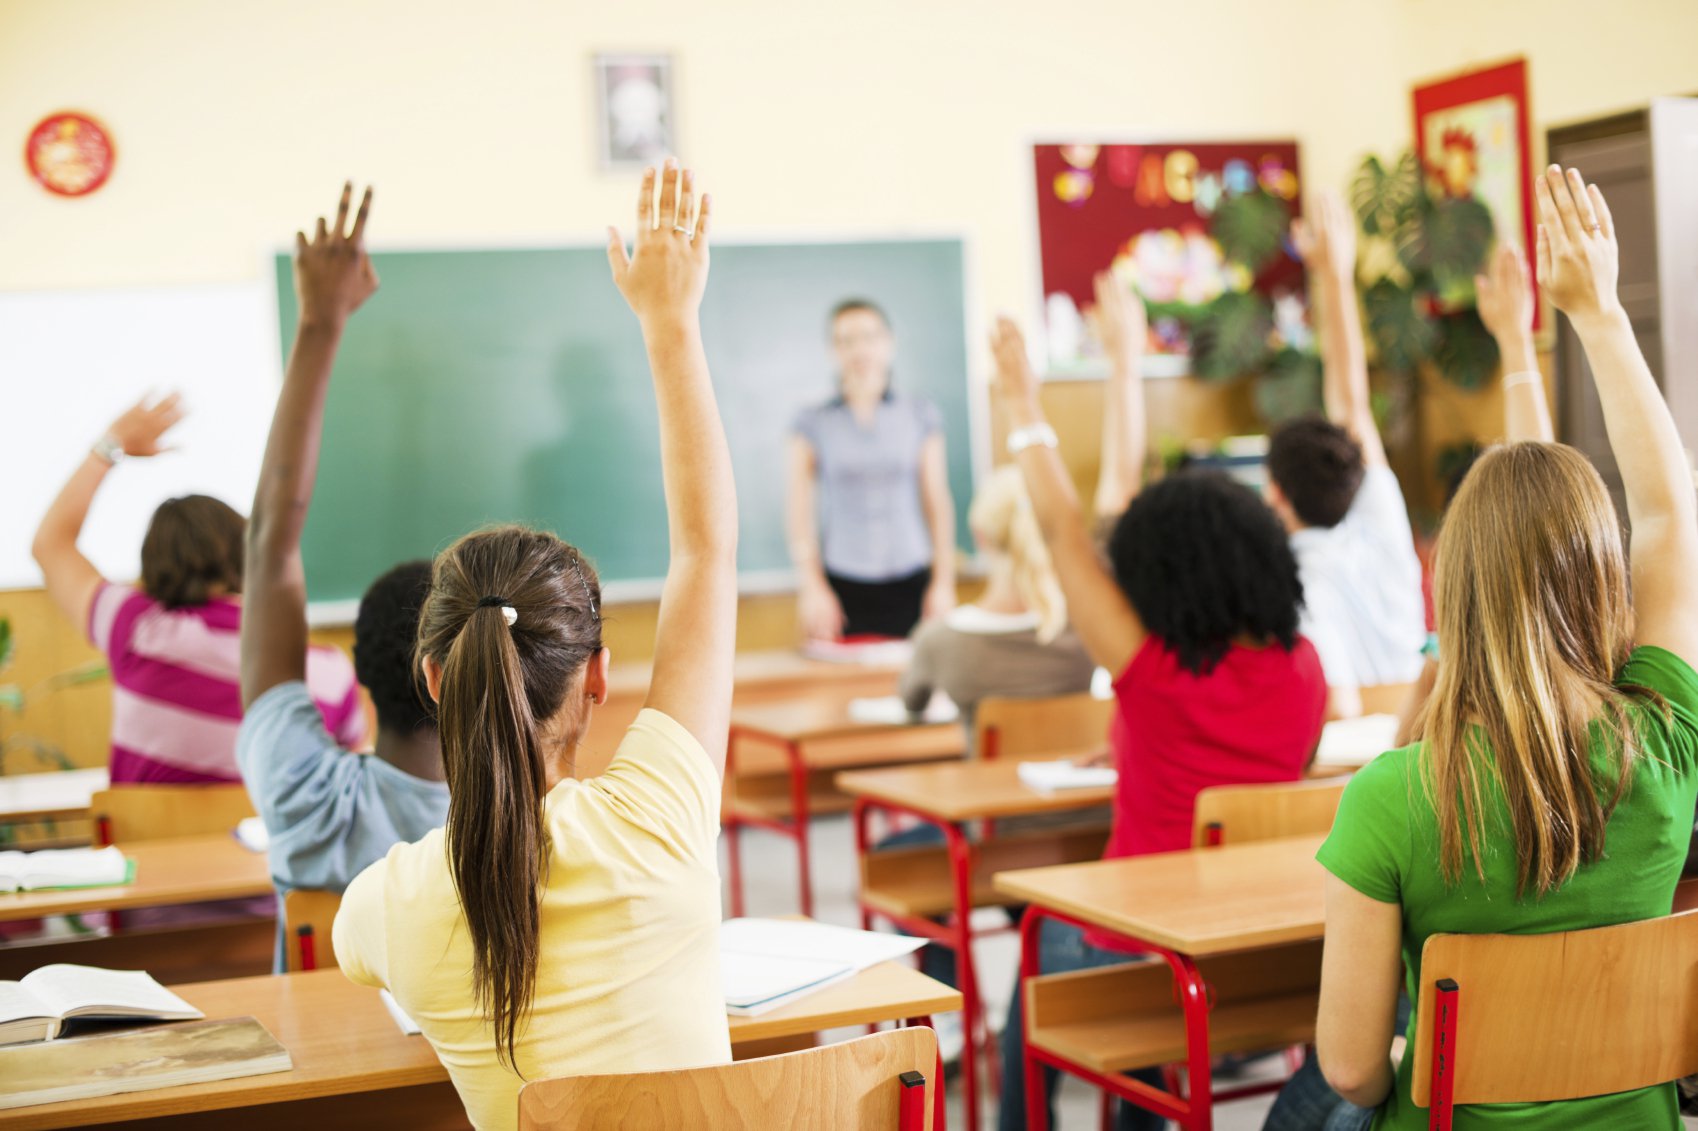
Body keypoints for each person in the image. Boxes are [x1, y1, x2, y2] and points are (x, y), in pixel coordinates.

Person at [333, 160, 737, 1131]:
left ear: (432, 679)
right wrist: (670, 324)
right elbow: (707, 554)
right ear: (599, 679)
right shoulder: (660, 817)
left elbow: (353, 969)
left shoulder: (390, 906)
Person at [1306, 167, 1698, 1129]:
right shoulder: (1666, 747)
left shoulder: (1393, 795)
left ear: (1455, 590)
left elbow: (1352, 1069)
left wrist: (1410, 1052)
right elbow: (1667, 519)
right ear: (1604, 579)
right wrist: (1597, 314)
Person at [990, 271, 1327, 1131]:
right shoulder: (1305, 669)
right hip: (1269, 954)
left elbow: (1067, 531)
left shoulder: (1155, 670)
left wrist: (1025, 406)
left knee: (1028, 989)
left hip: (1149, 948)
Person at [236, 184, 449, 965]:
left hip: (312, 1084)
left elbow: (269, 543)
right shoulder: (526, 822)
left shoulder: (305, 796)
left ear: (355, 670)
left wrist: (320, 326)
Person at [30, 398, 364, 784]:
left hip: (145, 844)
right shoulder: (324, 671)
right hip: (266, 844)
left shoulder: (133, 627)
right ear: (248, 557)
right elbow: (347, 783)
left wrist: (110, 446)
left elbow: (49, 545)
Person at [1275, 191, 1427, 718]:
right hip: (1425, 736)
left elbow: (1336, 711)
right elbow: (1352, 403)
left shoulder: (1290, 582)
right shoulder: (1379, 526)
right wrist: (1336, 277)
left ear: (1276, 495)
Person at [788, 297, 958, 641]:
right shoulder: (812, 421)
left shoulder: (919, 414)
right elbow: (798, 510)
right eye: (846, 340)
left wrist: (943, 582)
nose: (859, 349)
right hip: (843, 582)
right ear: (832, 351)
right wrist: (812, 586)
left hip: (913, 578)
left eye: (869, 337)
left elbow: (937, 500)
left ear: (889, 343)